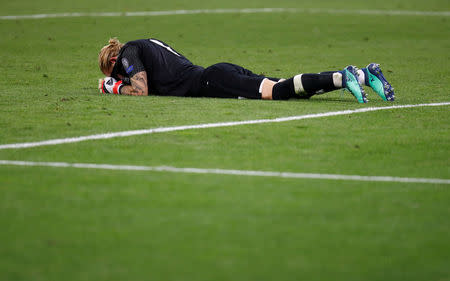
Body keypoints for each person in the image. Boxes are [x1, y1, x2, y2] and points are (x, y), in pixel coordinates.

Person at [98, 38, 395, 103]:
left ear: (114, 61)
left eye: (118, 72)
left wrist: (112, 87)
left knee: (277, 92)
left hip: (212, 80)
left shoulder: (128, 52)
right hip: (217, 71)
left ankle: (344, 76)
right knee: (288, 88)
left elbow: (141, 89)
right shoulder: (147, 45)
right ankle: (362, 76)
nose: (121, 75)